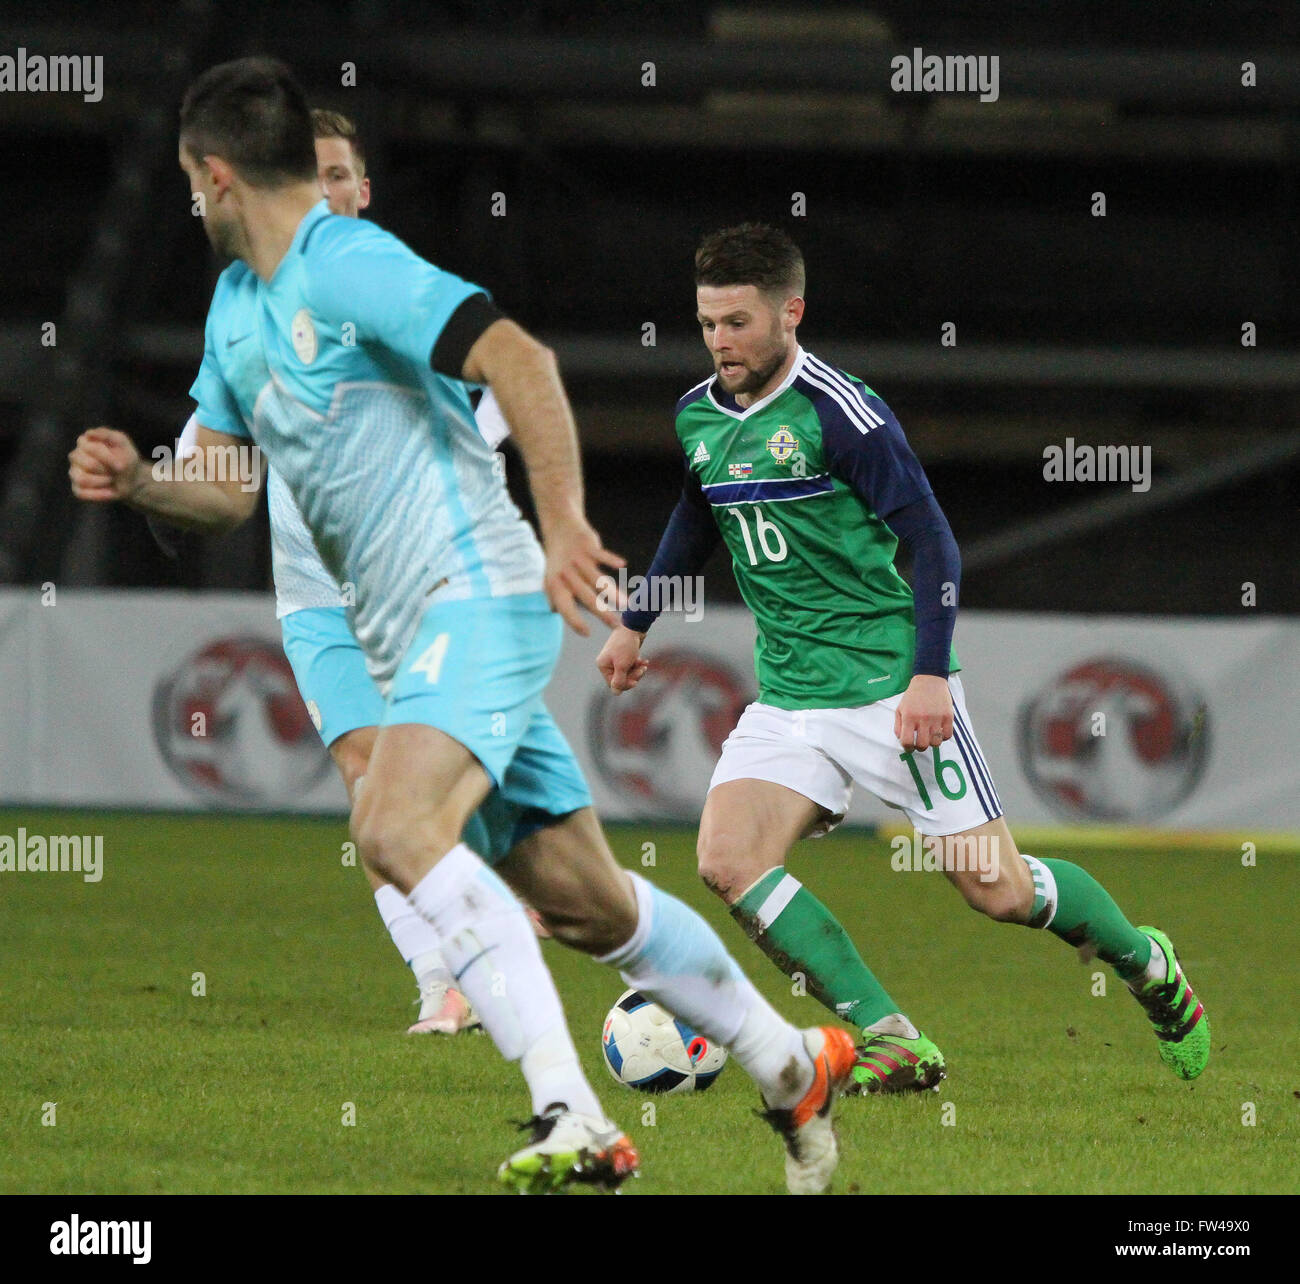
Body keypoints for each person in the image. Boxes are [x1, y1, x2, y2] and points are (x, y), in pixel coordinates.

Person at [70, 60, 857, 1194]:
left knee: (389, 825)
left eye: (191, 184)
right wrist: (144, 484)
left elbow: (515, 357)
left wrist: (563, 526)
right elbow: (226, 490)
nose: (190, 204)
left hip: (476, 596)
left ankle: (573, 1117)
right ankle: (791, 1065)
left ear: (217, 173)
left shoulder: (346, 262)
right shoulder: (238, 309)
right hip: (401, 636)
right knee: (588, 904)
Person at [597, 222, 1210, 1091]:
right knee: (728, 860)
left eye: (737, 323)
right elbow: (697, 517)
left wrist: (929, 674)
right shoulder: (698, 412)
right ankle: (893, 1037)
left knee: (995, 890)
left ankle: (1149, 964)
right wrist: (635, 622)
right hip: (789, 695)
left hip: (888, 682)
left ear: (790, 312)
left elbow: (933, 542)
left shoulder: (842, 412)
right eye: (706, 324)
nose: (720, 343)